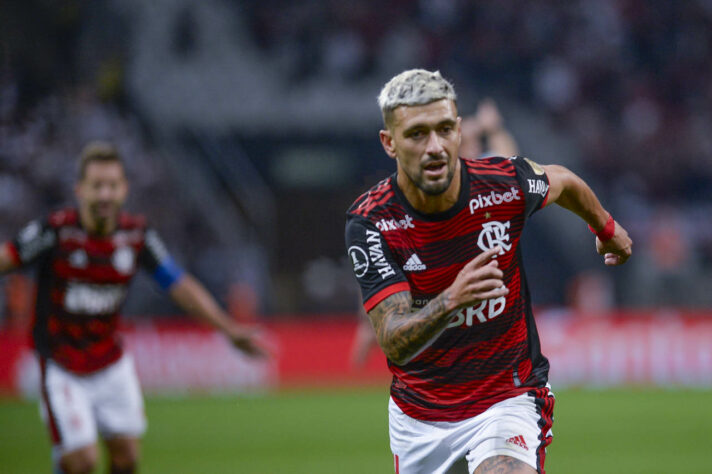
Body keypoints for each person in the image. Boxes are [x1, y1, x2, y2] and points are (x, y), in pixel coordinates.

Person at [344, 69, 632, 474]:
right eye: (417, 134)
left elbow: (563, 182)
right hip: (420, 419)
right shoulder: (371, 222)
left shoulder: (503, 184)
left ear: (460, 131)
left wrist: (606, 228)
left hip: (506, 397)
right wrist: (450, 300)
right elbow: (393, 340)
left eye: (445, 129)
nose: (435, 147)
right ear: (389, 143)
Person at [0, 142, 266, 474]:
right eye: (97, 186)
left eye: (112, 186)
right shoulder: (56, 231)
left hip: (110, 362)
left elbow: (179, 284)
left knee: (126, 458)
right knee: (81, 461)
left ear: (124, 190)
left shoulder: (136, 235)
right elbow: (7, 257)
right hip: (62, 365)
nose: (105, 195)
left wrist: (228, 328)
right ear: (80, 189)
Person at [350, 97, 520, 369]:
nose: (473, 147)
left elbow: (512, 165)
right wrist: (492, 128)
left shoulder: (486, 182)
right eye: (467, 142)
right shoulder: (429, 186)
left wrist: (493, 129)